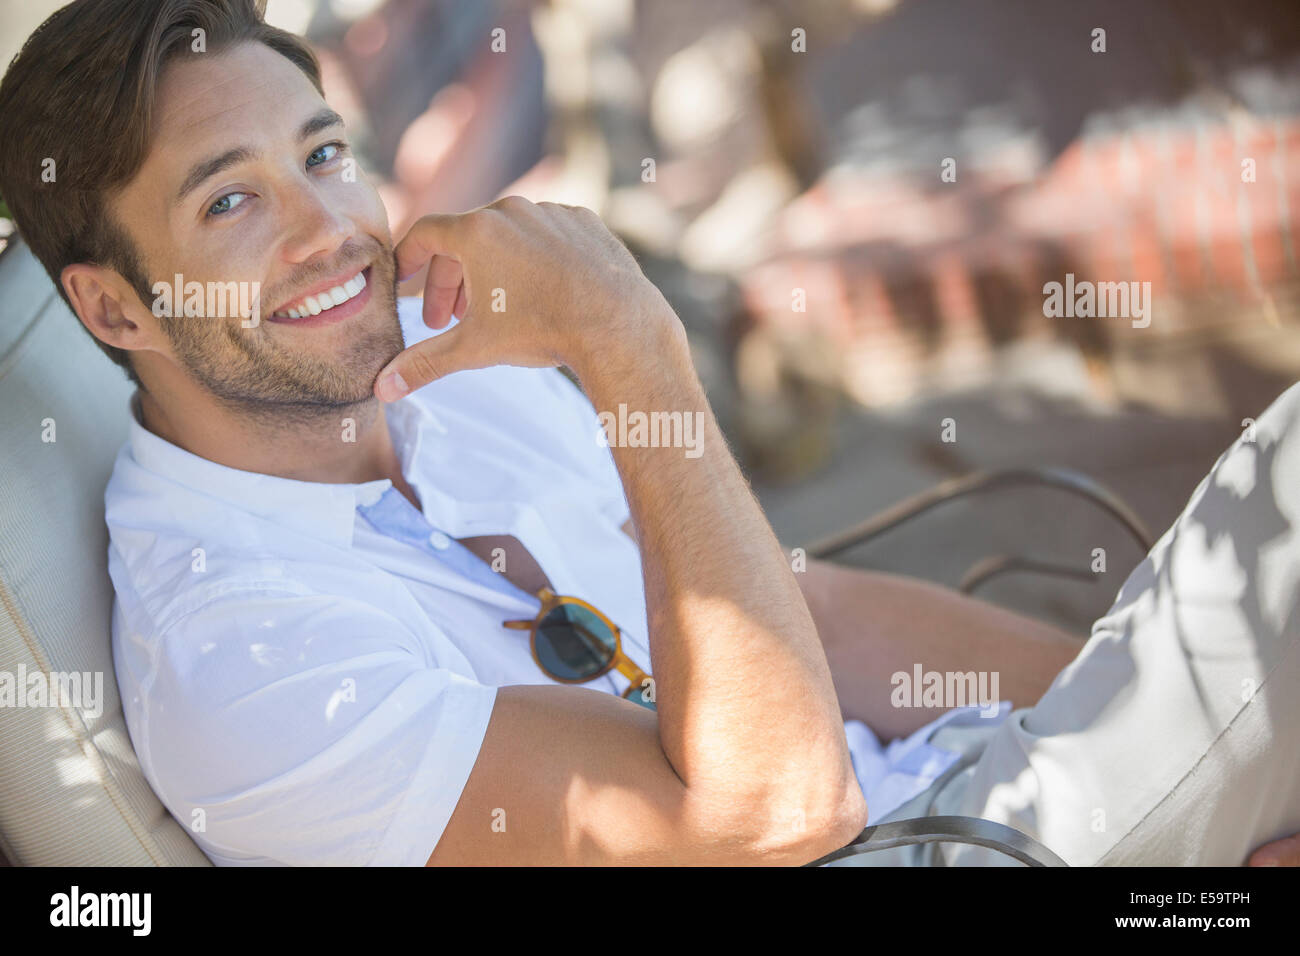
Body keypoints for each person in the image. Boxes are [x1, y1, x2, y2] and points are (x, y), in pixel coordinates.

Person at [0, 0, 1293, 866]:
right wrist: (628, 342)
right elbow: (770, 817)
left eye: (325, 153)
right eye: (231, 200)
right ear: (115, 306)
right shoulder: (237, 662)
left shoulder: (451, 363)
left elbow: (815, 620)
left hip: (970, 795)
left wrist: (1200, 757)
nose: (328, 226)